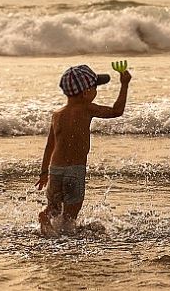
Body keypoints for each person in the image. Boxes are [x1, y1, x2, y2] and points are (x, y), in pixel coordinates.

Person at [35, 64, 132, 235]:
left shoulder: (57, 115)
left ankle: (45, 216)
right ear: (86, 92)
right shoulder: (87, 108)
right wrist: (124, 84)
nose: (96, 91)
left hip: (55, 170)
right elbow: (117, 111)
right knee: (70, 216)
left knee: (54, 208)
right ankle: (66, 239)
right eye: (95, 87)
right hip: (75, 171)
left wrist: (44, 173)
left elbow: (50, 146)